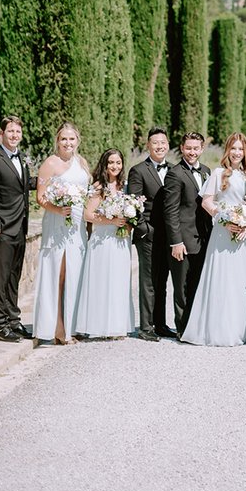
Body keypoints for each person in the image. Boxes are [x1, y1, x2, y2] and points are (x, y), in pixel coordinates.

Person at [181, 132, 246, 346]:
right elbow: (207, 203)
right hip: (223, 233)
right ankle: (219, 329)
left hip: (244, 235)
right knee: (223, 280)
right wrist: (225, 219)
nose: (236, 153)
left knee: (242, 281)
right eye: (233, 148)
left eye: (240, 149)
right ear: (227, 150)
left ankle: (243, 329)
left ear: (245, 152)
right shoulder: (218, 173)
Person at [31, 122, 91, 346]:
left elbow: (87, 194)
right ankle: (57, 328)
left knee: (75, 273)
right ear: (57, 141)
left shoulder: (81, 163)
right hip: (58, 225)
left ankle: (72, 325)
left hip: (77, 227)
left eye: (72, 139)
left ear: (78, 141)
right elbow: (40, 197)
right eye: (64, 139)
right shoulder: (50, 163)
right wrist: (58, 209)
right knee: (59, 273)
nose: (68, 143)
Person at [0, 115, 34, 342]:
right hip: (3, 230)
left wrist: (51, 180)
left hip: (20, 226)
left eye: (18, 132)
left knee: (14, 276)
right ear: (1, 134)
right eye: (10, 131)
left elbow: (25, 185)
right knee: (1, 279)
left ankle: (13, 320)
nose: (14, 135)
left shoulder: (21, 158)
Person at [75, 149, 136, 339]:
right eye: (111, 162)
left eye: (118, 162)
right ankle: (97, 325)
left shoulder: (124, 187)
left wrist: (128, 224)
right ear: (104, 164)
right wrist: (111, 222)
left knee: (118, 282)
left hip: (121, 241)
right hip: (102, 240)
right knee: (101, 281)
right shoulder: (98, 187)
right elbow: (87, 215)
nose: (115, 166)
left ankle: (116, 326)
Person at [163, 132, 212, 337]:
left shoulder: (207, 171)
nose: (192, 152)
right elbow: (170, 210)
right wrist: (176, 242)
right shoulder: (175, 173)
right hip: (183, 240)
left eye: (196, 148)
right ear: (182, 148)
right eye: (188, 148)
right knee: (182, 288)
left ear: (201, 149)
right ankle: (183, 330)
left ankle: (196, 327)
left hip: (203, 239)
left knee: (198, 284)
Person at [128, 127, 174, 341]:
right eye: (155, 143)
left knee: (162, 281)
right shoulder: (138, 170)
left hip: (169, 235)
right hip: (148, 233)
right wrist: (143, 229)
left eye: (163, 143)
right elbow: (134, 203)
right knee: (148, 281)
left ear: (168, 144)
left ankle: (161, 323)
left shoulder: (174, 169)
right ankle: (146, 327)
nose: (159, 146)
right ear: (148, 145)